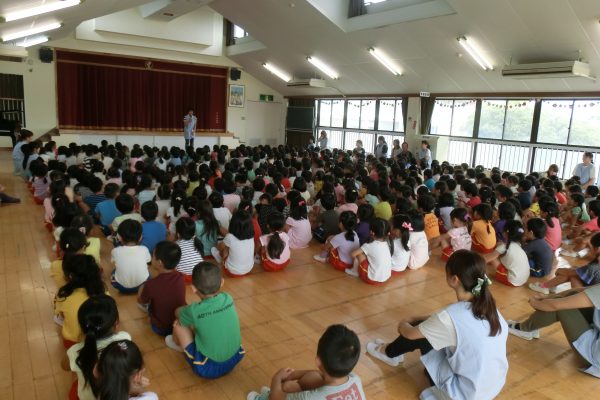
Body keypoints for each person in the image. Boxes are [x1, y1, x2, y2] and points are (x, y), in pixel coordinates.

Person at [366, 250, 508, 400]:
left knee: (421, 332)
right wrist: (419, 318)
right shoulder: (490, 308)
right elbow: (449, 323)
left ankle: (388, 352)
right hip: (491, 387)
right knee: (428, 328)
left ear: (454, 279)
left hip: (464, 394)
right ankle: (399, 355)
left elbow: (409, 333)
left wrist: (403, 322)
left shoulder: (451, 316)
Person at [165, 262, 245, 378]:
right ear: (222, 282)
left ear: (193, 288)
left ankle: (176, 343)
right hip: (235, 357)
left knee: (178, 324)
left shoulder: (194, 310)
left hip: (208, 367)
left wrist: (185, 310)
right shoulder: (228, 298)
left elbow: (177, 312)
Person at [247, 324, 366, 400]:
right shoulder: (355, 379)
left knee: (284, 388)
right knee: (302, 381)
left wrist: (276, 379)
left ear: (318, 361)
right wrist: (294, 374)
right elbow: (320, 375)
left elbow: (276, 397)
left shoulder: (313, 398)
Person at [65, 295, 131, 400]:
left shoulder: (74, 351)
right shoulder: (125, 338)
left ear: (82, 328)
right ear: (116, 323)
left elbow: (64, 366)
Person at [55, 254, 106, 348]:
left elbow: (62, 316)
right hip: (100, 340)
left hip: (73, 343)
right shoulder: (105, 293)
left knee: (59, 317)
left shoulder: (63, 296)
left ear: (70, 276)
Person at [138, 241, 186, 336]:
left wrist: (142, 287)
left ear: (159, 263)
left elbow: (141, 301)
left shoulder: (151, 284)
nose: (152, 258)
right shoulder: (181, 277)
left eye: (153, 256)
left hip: (161, 328)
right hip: (179, 323)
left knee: (142, 295)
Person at [529, 233, 600, 295]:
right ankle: (549, 286)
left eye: (591, 247)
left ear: (598, 249)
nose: (590, 249)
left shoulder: (594, 267)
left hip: (591, 300)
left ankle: (545, 286)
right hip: (593, 294)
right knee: (573, 272)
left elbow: (571, 273)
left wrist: (560, 270)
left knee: (571, 275)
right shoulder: (595, 264)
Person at [348, 218, 393, 285]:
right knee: (367, 254)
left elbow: (353, 254)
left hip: (372, 279)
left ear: (371, 232)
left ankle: (354, 271)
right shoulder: (388, 243)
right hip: (386, 277)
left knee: (360, 254)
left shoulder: (369, 245)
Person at [111, 220, 151, 294]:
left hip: (122, 287)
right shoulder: (144, 249)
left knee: (113, 271)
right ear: (140, 238)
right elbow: (148, 261)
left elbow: (114, 262)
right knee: (148, 271)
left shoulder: (115, 251)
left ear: (119, 238)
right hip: (142, 285)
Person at [211, 210, 255, 277]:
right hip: (248, 269)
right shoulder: (251, 237)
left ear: (233, 223)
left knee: (214, 249)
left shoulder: (230, 237)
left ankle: (220, 260)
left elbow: (220, 247)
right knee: (230, 246)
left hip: (232, 271)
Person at [174, 217, 203, 283]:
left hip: (184, 277)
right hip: (199, 275)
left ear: (178, 234)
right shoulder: (197, 242)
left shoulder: (176, 245)